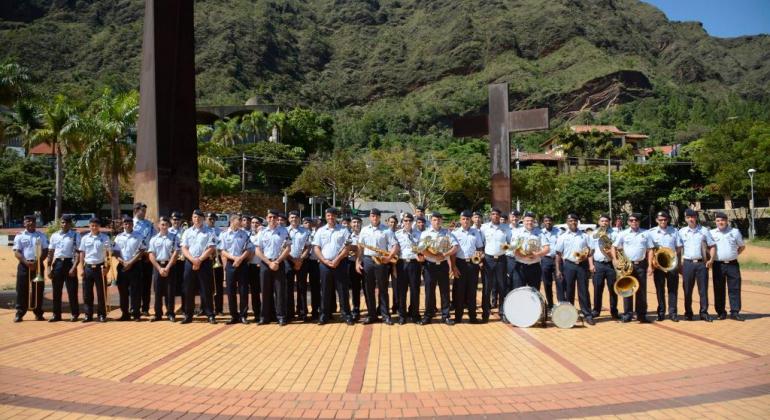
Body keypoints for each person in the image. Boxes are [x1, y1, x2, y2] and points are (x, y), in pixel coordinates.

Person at [356, 208, 398, 325]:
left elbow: (395, 246)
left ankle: (385, 315)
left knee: (383, 288)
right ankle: (372, 315)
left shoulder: (387, 230)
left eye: (376, 216)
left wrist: (389, 258)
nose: (374, 218)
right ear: (370, 217)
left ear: (379, 217)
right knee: (368, 289)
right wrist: (357, 262)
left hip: (381, 260)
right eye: (372, 216)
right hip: (368, 260)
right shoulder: (364, 230)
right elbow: (360, 247)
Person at [417, 212, 458, 325]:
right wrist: (434, 256)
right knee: (429, 291)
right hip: (430, 266)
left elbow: (455, 247)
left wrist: (444, 255)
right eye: (435, 220)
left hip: (443, 265)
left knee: (445, 291)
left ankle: (446, 316)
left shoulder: (447, 233)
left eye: (439, 220)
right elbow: (421, 249)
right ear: (431, 221)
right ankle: (428, 316)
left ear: (442, 221)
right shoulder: (426, 233)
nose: (437, 222)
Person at [612, 213, 654, 323]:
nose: (633, 222)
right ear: (628, 222)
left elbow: (650, 250)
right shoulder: (623, 233)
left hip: (641, 264)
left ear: (639, 221)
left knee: (641, 291)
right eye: (631, 220)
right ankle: (627, 314)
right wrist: (615, 260)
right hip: (627, 265)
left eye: (636, 220)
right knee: (627, 289)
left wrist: (650, 266)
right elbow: (614, 247)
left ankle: (641, 315)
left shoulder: (646, 233)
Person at [554, 213, 595, 325]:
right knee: (569, 291)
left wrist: (589, 260)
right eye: (570, 220)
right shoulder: (562, 237)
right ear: (567, 222)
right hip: (568, 265)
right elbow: (558, 254)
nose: (573, 222)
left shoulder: (585, 236)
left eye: (575, 220)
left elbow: (591, 250)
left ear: (578, 222)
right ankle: (570, 315)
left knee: (584, 291)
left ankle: (587, 314)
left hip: (582, 265)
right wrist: (558, 270)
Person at [180, 209, 218, 324]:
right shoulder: (187, 232)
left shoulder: (209, 231)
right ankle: (188, 315)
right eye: (195, 217)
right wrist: (193, 260)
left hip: (204, 262)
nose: (197, 219)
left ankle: (210, 314)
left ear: (203, 219)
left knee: (206, 289)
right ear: (192, 218)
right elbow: (184, 248)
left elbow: (211, 248)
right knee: (188, 289)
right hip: (189, 262)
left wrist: (199, 260)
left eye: (199, 217)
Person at [254, 209, 291, 325]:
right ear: (266, 218)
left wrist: (277, 261)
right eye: (270, 217)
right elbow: (257, 250)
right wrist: (269, 263)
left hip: (278, 263)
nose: (272, 220)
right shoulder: (262, 232)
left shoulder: (284, 231)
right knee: (265, 291)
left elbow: (288, 248)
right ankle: (265, 317)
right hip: (266, 263)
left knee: (280, 291)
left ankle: (281, 316)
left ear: (277, 219)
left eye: (274, 217)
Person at [679, 209, 716, 322]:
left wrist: (712, 260)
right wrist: (679, 263)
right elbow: (678, 248)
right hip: (688, 264)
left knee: (703, 290)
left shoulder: (704, 231)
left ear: (696, 218)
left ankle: (703, 313)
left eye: (693, 217)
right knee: (687, 290)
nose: (691, 219)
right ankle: (688, 313)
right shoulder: (681, 231)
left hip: (701, 264)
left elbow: (712, 246)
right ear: (685, 219)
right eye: (688, 217)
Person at [219, 214, 254, 324]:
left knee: (243, 290)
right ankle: (233, 315)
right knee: (230, 290)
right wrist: (234, 258)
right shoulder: (224, 234)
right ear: (232, 221)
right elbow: (222, 250)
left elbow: (249, 249)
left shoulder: (245, 234)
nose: (241, 221)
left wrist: (240, 258)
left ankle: (243, 315)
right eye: (239, 220)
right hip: (231, 263)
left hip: (242, 263)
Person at [12, 215, 49, 322]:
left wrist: (37, 262)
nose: (30, 223)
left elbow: (45, 250)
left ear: (35, 223)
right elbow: (17, 252)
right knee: (22, 289)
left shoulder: (40, 236)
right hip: (24, 265)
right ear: (24, 223)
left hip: (38, 265)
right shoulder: (19, 236)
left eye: (33, 221)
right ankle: (20, 313)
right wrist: (26, 263)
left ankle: (38, 313)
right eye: (28, 221)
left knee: (38, 289)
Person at [648, 211, 683, 322]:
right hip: (658, 266)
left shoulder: (674, 231)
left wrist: (676, 262)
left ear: (668, 220)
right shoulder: (651, 232)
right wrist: (652, 263)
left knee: (673, 290)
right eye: (660, 219)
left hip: (672, 265)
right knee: (660, 290)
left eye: (665, 219)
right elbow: (649, 249)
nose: (663, 221)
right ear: (656, 220)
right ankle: (661, 312)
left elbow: (678, 248)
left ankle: (673, 313)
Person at [711, 212, 746, 321]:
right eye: (718, 221)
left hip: (732, 264)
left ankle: (735, 312)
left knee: (734, 288)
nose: (720, 222)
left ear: (727, 221)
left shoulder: (734, 232)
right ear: (715, 222)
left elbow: (741, 246)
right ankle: (721, 312)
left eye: (722, 220)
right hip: (718, 265)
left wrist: (733, 255)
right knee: (718, 289)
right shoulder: (711, 233)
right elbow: (708, 248)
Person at [479, 208, 512, 323]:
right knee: (487, 288)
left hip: (501, 260)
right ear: (490, 216)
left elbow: (509, 243)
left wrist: (505, 248)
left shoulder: (506, 228)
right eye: (493, 214)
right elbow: (481, 244)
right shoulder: (484, 228)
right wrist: (481, 259)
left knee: (502, 287)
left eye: (497, 215)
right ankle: (485, 313)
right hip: (488, 259)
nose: (495, 216)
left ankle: (502, 312)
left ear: (499, 216)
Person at [46, 214, 81, 322]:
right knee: (56, 291)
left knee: (72, 290)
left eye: (66, 222)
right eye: (62, 222)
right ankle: (56, 315)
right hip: (57, 264)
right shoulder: (54, 235)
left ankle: (74, 314)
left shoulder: (75, 235)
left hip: (69, 263)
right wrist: (48, 268)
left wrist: (74, 267)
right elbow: (50, 252)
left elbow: (77, 253)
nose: (64, 224)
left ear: (70, 224)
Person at [452, 210, 484, 323]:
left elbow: (479, 247)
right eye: (463, 219)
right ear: (460, 220)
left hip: (472, 264)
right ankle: (458, 317)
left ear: (471, 220)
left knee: (472, 291)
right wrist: (453, 267)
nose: (465, 221)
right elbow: (453, 252)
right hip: (460, 264)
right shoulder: (455, 233)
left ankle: (473, 317)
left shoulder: (475, 232)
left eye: (467, 219)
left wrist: (479, 256)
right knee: (459, 291)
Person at [113, 215, 146, 321]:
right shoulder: (118, 237)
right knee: (123, 291)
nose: (127, 225)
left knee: (135, 291)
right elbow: (116, 252)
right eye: (125, 223)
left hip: (135, 266)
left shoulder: (139, 236)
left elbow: (142, 251)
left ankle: (136, 313)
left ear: (132, 224)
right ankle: (125, 314)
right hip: (122, 266)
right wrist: (123, 262)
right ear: (123, 224)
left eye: (129, 223)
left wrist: (131, 262)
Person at [147, 216, 180, 322]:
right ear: (158, 226)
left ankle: (170, 313)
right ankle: (158, 314)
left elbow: (175, 253)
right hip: (157, 266)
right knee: (157, 292)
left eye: (166, 224)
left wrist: (167, 267)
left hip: (170, 265)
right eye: (162, 224)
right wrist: (159, 268)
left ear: (169, 225)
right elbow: (151, 255)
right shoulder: (154, 239)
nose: (164, 226)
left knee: (170, 291)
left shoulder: (174, 237)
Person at [78, 217, 111, 323]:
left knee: (101, 293)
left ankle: (102, 314)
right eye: (92, 225)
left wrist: (107, 268)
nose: (94, 227)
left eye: (96, 225)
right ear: (89, 226)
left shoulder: (105, 238)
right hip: (88, 267)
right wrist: (81, 268)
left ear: (99, 226)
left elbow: (108, 254)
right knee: (87, 293)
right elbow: (82, 253)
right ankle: (88, 315)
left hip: (100, 267)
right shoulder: (85, 238)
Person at [590, 214, 619, 319]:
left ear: (609, 222)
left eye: (606, 221)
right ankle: (596, 311)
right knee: (597, 288)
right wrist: (591, 264)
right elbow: (591, 251)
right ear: (599, 222)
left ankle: (614, 311)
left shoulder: (615, 233)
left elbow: (618, 248)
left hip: (611, 264)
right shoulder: (593, 234)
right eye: (602, 221)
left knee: (613, 289)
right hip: (598, 264)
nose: (604, 223)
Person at [394, 213, 422, 324]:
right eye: (405, 220)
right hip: (401, 263)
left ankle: (415, 315)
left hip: (414, 264)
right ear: (402, 222)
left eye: (409, 220)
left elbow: (422, 249)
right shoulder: (397, 234)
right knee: (401, 290)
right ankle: (402, 315)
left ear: (413, 221)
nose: (407, 222)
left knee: (415, 290)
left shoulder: (419, 234)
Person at [512, 212, 549, 291]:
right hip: (520, 266)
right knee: (518, 292)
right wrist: (524, 256)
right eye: (527, 220)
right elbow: (514, 249)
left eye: (531, 220)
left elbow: (547, 248)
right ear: (523, 221)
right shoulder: (517, 232)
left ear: (534, 221)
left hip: (535, 267)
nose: (529, 222)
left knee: (534, 292)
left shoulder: (539, 232)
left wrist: (537, 254)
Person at [285, 210, 311, 321]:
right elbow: (282, 248)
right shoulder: (284, 231)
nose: (294, 219)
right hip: (287, 260)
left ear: (299, 219)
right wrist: (292, 260)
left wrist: (300, 260)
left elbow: (308, 247)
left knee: (302, 287)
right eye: (291, 217)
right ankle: (289, 314)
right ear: (288, 219)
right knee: (288, 288)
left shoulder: (305, 231)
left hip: (302, 261)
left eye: (296, 217)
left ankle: (302, 312)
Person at [133, 203, 156, 317]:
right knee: (134, 284)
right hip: (133, 258)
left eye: (145, 211)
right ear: (136, 210)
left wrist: (149, 252)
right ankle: (133, 307)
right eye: (142, 211)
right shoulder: (129, 223)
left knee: (146, 283)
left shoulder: (149, 225)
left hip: (146, 257)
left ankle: (145, 308)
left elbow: (153, 239)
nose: (144, 213)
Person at [539, 215, 561, 310]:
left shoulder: (559, 232)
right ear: (543, 222)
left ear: (553, 222)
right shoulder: (540, 233)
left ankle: (560, 305)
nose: (548, 222)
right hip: (545, 260)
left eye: (549, 220)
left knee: (560, 283)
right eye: (546, 221)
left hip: (557, 260)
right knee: (547, 284)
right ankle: (550, 305)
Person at [206, 212, 225, 315]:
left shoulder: (220, 231)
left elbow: (221, 244)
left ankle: (219, 308)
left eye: (213, 219)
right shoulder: (203, 230)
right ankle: (204, 308)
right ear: (206, 219)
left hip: (216, 258)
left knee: (218, 284)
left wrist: (216, 251)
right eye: (210, 219)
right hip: (206, 258)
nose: (212, 220)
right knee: (205, 284)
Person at [348, 216, 365, 321]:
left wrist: (355, 248)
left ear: (361, 223)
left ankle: (371, 310)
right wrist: (357, 248)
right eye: (354, 222)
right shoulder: (348, 235)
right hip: (351, 263)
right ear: (351, 224)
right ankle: (356, 309)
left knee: (368, 288)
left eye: (358, 222)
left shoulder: (366, 234)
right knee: (355, 288)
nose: (356, 224)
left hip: (365, 263)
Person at [247, 216, 263, 322]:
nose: (254, 224)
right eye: (252, 223)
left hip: (263, 265)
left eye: (256, 223)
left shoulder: (264, 234)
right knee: (254, 291)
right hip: (252, 266)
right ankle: (257, 313)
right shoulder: (248, 235)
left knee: (267, 291)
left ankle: (268, 312)